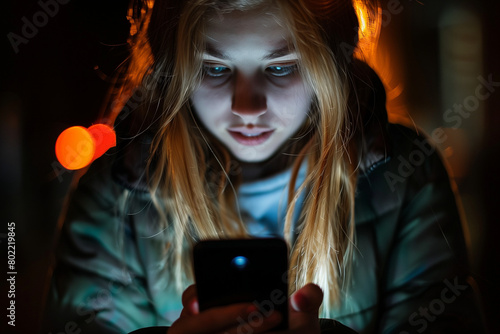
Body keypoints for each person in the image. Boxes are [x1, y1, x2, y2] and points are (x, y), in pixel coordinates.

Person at [43, 0, 485, 333]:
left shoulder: (404, 177)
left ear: (329, 65)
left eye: (280, 66)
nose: (247, 106)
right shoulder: (114, 199)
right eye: (215, 68)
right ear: (175, 70)